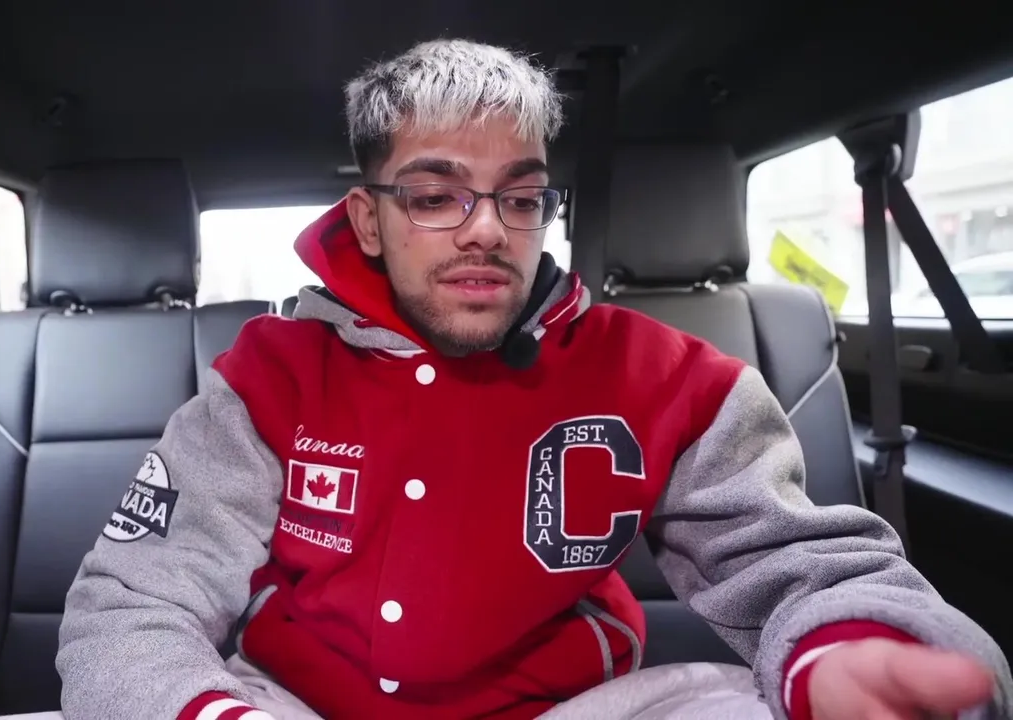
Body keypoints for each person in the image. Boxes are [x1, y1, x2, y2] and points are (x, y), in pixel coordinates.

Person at [50, 39, 1011, 720]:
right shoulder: (270, 376)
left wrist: (847, 653)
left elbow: (803, 564)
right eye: (435, 195)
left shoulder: (669, 380)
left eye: (520, 196)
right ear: (369, 219)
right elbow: (133, 607)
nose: (486, 229)